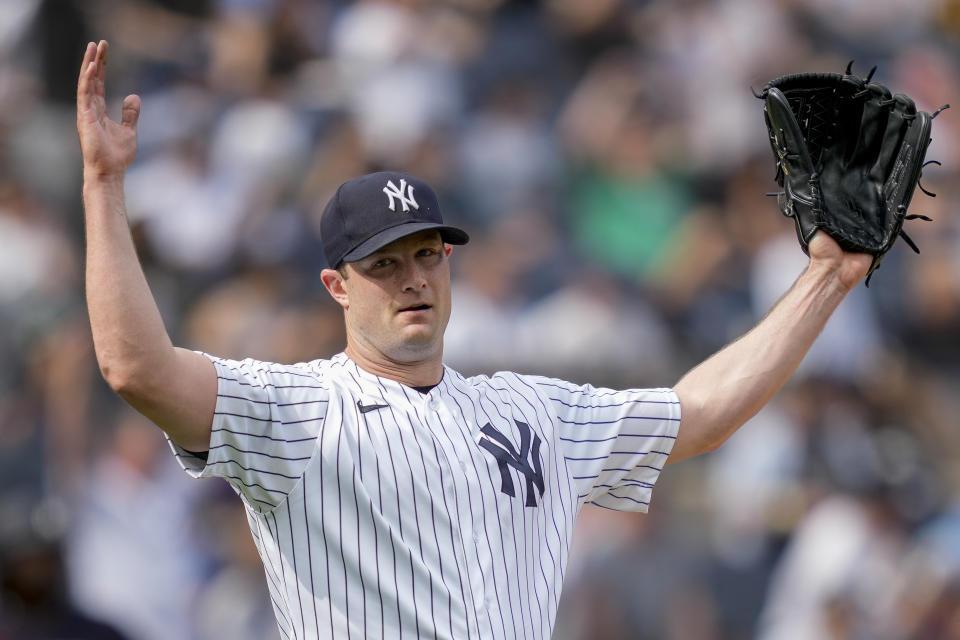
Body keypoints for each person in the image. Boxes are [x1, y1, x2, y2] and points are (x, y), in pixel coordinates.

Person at [77, 39, 872, 639]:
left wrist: (827, 280)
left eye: (425, 254)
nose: (413, 278)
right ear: (337, 286)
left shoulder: (528, 408)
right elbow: (134, 366)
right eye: (384, 264)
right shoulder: (297, 411)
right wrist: (106, 188)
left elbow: (699, 413)